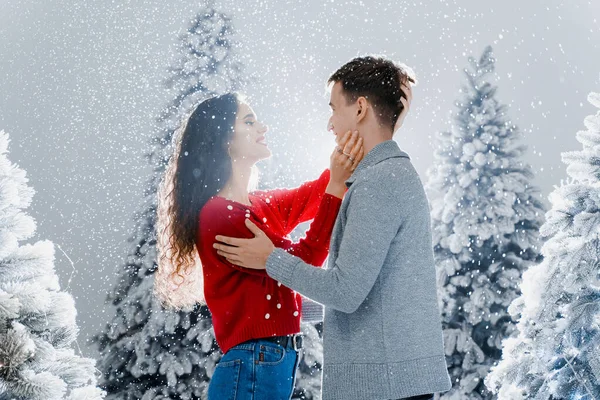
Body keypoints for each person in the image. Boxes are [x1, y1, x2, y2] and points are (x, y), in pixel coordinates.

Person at [213, 56, 452, 400]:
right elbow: (367, 294)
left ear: (359, 109)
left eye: (334, 108)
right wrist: (274, 310)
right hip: (392, 383)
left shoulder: (379, 182)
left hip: (384, 388)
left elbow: (344, 292)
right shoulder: (384, 176)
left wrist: (271, 259)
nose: (330, 123)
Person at [153, 92, 366, 400]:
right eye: (249, 121)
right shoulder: (219, 216)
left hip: (265, 364)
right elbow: (302, 262)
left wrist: (354, 141)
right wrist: (336, 185)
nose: (262, 127)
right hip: (254, 365)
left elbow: (314, 195)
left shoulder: (260, 206)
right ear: (224, 139)